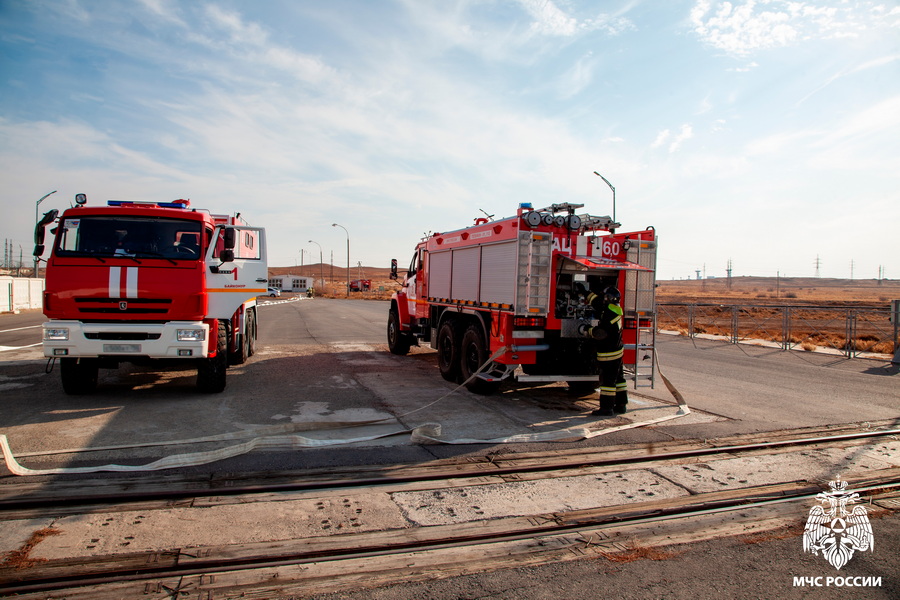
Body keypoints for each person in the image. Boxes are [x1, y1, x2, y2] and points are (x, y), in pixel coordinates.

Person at [579, 283, 627, 416]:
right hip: (617, 352)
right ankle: (621, 405)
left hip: (609, 353)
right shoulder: (613, 309)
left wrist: (587, 330)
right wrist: (585, 292)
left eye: (605, 297)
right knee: (619, 379)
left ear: (608, 298)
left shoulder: (609, 315)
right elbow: (598, 304)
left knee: (607, 382)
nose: (603, 299)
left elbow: (601, 333)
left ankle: (606, 408)